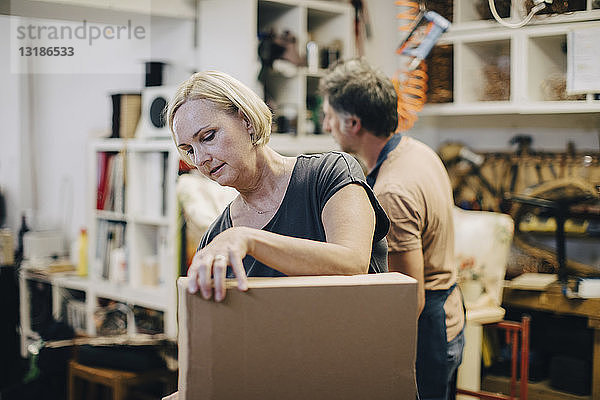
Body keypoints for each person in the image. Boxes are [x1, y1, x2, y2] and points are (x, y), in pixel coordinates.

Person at [166, 69, 389, 304]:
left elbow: (353, 264)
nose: (200, 159)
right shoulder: (218, 237)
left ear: (247, 121)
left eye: (208, 137)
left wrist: (250, 241)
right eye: (189, 150)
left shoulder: (329, 173)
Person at [319, 58, 465, 400]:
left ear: (352, 123)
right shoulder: (418, 151)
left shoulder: (391, 191)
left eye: (329, 116)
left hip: (429, 325)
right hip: (451, 311)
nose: (326, 125)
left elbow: (407, 297)